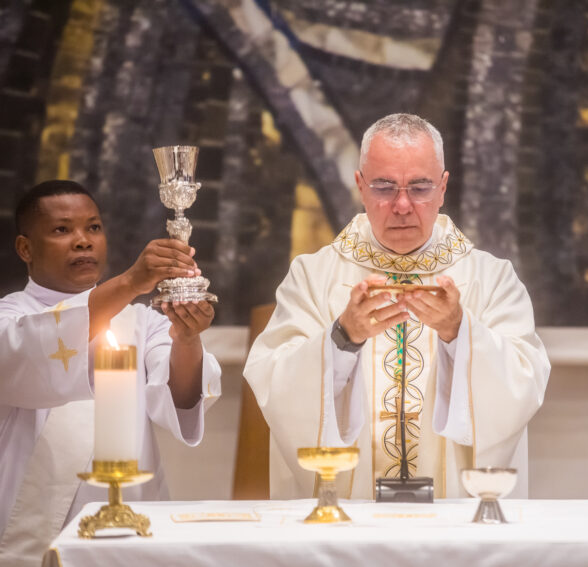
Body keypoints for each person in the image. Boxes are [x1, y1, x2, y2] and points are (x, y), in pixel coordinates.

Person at [244, 113, 550, 499]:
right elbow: (274, 383)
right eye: (384, 187)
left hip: (452, 517)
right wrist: (342, 339)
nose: (402, 205)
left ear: (443, 188)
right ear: (360, 186)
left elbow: (524, 383)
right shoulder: (312, 277)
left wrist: (460, 333)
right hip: (348, 516)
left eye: (420, 188)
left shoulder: (492, 279)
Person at [0, 180, 221, 565]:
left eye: (94, 227)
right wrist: (131, 281)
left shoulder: (140, 320)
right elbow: (24, 356)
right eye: (62, 229)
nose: (83, 241)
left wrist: (187, 339)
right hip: (33, 535)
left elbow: (181, 397)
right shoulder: (11, 317)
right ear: (25, 248)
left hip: (133, 526)